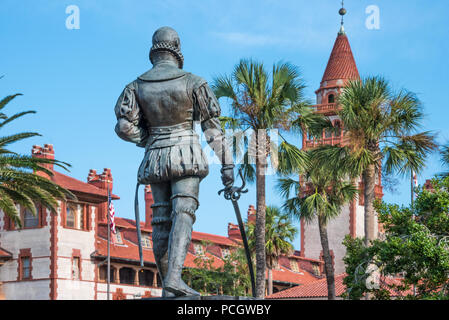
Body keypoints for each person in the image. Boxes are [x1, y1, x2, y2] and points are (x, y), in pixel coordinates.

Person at [114, 26, 234, 297]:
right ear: (177, 48)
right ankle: (174, 280)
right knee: (184, 212)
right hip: (186, 154)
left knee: (160, 218)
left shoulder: (135, 86)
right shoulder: (194, 82)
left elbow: (123, 128)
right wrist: (227, 164)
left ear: (154, 50)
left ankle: (169, 286)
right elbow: (212, 130)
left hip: (155, 154)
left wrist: (146, 138)